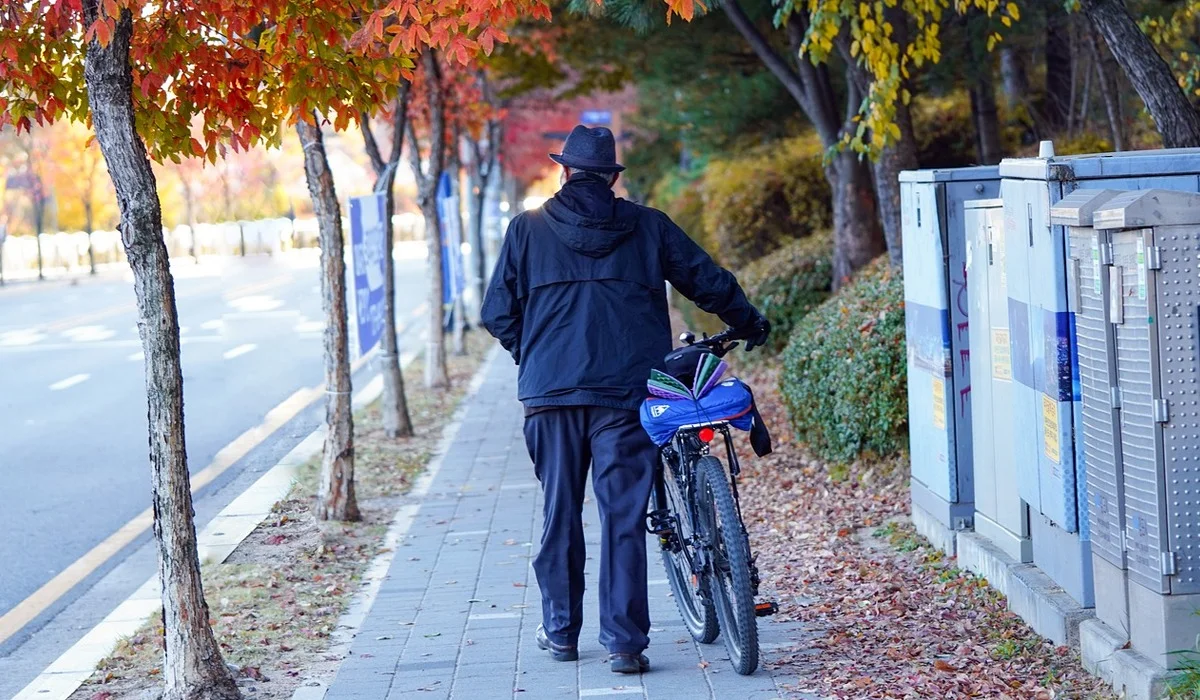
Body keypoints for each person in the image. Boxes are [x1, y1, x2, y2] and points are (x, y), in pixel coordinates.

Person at [480, 125, 769, 674]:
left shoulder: (527, 230)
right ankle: (624, 644)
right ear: (612, 177)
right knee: (624, 517)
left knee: (559, 511)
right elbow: (704, 280)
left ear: (564, 172)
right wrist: (747, 320)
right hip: (626, 395)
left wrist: (536, 353)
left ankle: (561, 632)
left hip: (550, 397)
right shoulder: (647, 226)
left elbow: (498, 313)